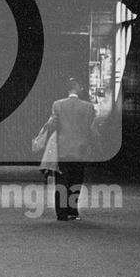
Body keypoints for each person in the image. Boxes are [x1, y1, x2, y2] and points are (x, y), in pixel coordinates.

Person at [44, 77, 97, 221]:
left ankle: (61, 214)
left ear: (68, 90)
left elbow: (52, 126)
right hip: (81, 150)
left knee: (61, 181)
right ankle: (72, 211)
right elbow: (91, 130)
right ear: (79, 89)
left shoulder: (57, 105)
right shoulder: (88, 107)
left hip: (62, 149)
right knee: (76, 181)